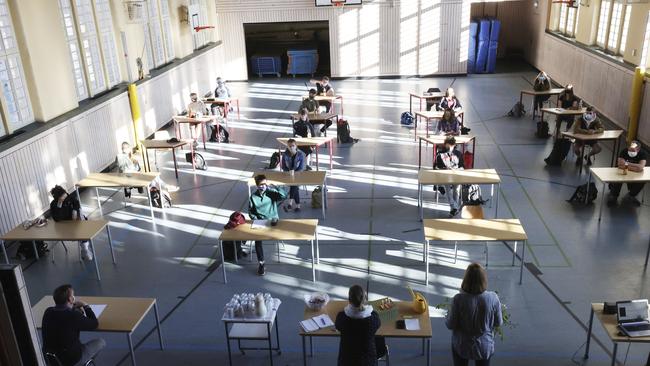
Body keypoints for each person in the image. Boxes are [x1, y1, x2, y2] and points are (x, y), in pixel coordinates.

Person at [445, 263, 502, 366]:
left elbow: (450, 325)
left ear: (466, 279)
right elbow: (498, 323)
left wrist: (448, 315)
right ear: (483, 279)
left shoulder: (458, 299)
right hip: (485, 346)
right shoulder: (493, 298)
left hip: (462, 346)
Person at [42, 284, 106, 366]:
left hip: (52, 360)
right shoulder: (73, 316)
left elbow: (62, 316)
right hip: (71, 360)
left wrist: (73, 309)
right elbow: (94, 324)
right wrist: (86, 306)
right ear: (70, 299)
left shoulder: (48, 311)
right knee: (101, 342)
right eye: (73, 295)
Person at [248, 174, 288, 276]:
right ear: (257, 185)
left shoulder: (271, 193)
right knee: (257, 240)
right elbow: (251, 212)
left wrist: (276, 187)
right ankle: (261, 263)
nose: (264, 186)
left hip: (273, 220)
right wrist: (256, 219)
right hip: (260, 222)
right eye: (262, 184)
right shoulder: (253, 197)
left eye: (265, 184)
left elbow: (284, 196)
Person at [335, 285, 381, 366]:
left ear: (349, 300)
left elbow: (338, 325)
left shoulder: (342, 318)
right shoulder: (373, 319)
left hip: (346, 361)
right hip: (367, 361)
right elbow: (376, 317)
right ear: (365, 299)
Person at [49, 186, 92, 261]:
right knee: (81, 232)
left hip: (75, 222)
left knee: (84, 227)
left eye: (65, 194)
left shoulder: (69, 197)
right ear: (58, 198)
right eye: (63, 196)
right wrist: (59, 205)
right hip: (64, 228)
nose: (65, 196)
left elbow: (76, 203)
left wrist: (75, 210)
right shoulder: (54, 205)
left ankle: (85, 248)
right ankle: (84, 248)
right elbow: (56, 219)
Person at [608, 141, 647, 206]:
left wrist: (627, 164)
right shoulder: (624, 151)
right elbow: (620, 164)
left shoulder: (642, 154)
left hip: (633, 172)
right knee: (618, 178)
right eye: (630, 149)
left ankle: (631, 195)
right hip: (624, 171)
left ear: (638, 150)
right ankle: (614, 196)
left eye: (633, 150)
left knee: (642, 180)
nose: (631, 151)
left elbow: (641, 167)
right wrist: (635, 167)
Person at [436, 136, 465, 217]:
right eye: (448, 145)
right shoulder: (440, 154)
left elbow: (462, 166)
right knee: (448, 190)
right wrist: (445, 169)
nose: (450, 147)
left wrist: (458, 170)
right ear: (445, 145)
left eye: (451, 145)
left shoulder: (458, 154)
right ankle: (454, 207)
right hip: (446, 176)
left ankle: (453, 209)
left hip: (457, 175)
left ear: (454, 145)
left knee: (456, 190)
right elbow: (438, 167)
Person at [281, 139, 306, 212]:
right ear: (287, 147)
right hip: (288, 174)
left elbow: (302, 167)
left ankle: (290, 203)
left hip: (299, 174)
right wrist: (288, 172)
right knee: (294, 186)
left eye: (293, 146)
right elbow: (283, 166)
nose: (291, 147)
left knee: (294, 185)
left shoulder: (301, 154)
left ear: (296, 146)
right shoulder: (285, 154)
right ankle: (298, 205)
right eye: (289, 146)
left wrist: (295, 173)